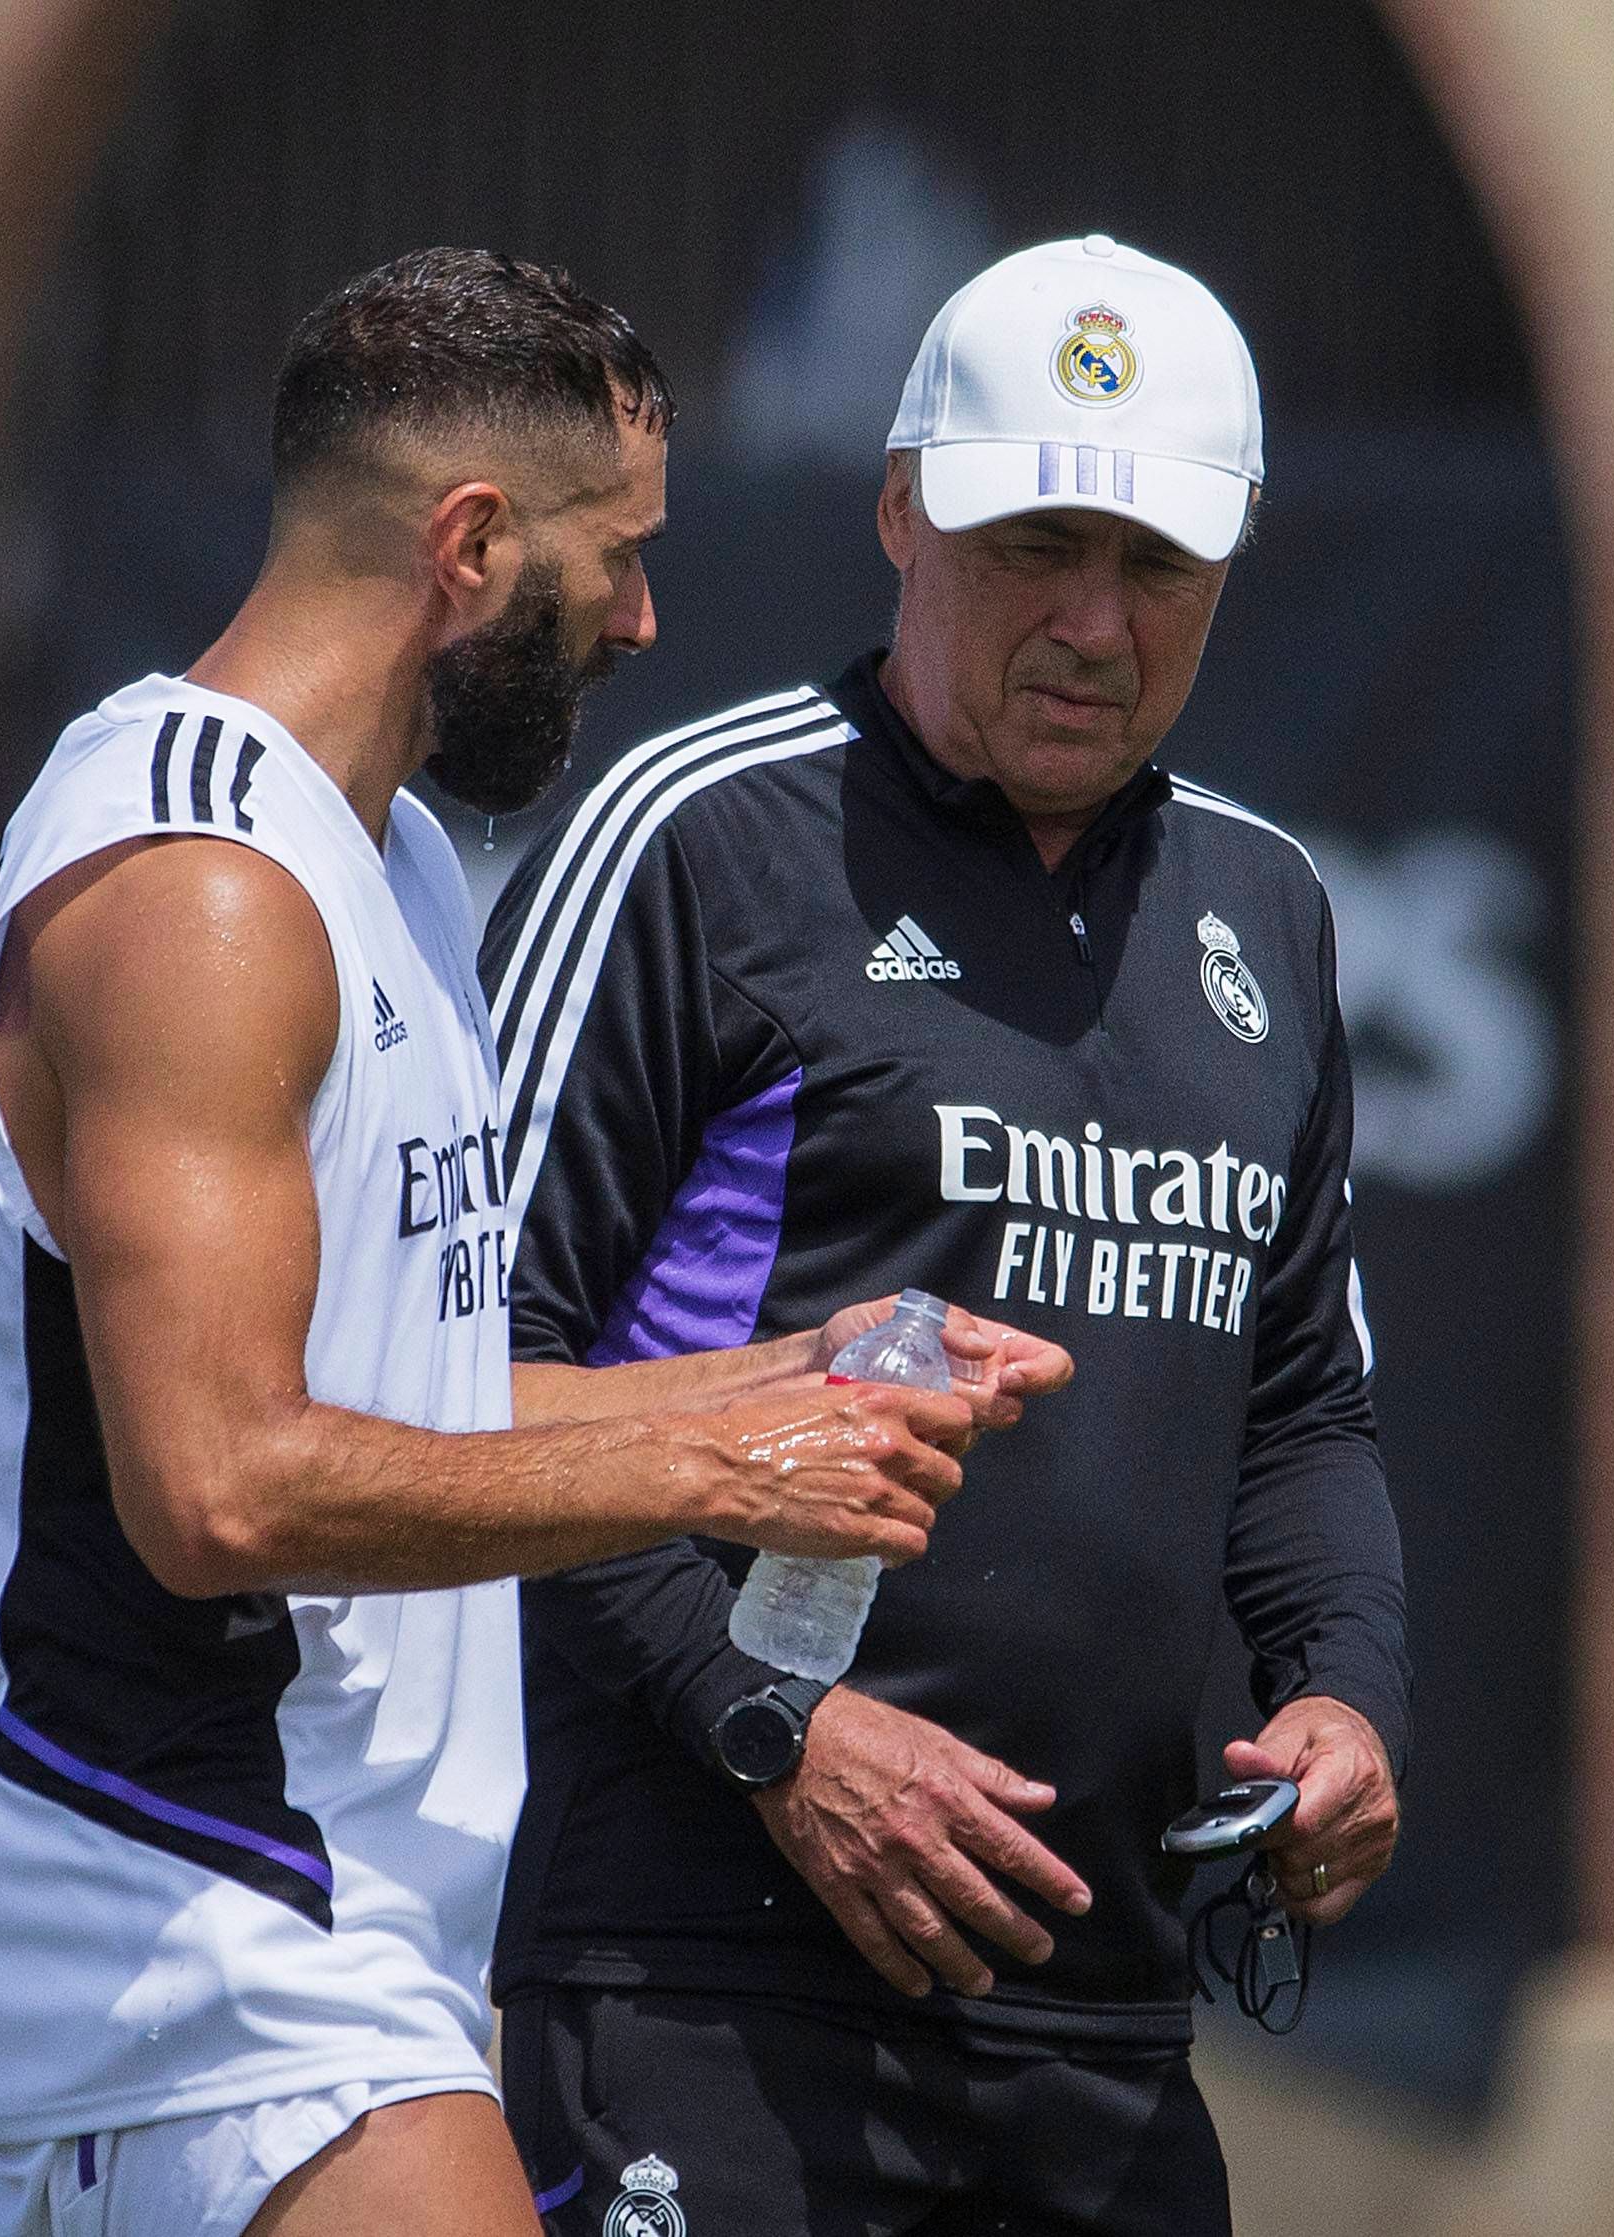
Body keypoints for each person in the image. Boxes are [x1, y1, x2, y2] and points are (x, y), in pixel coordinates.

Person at [0, 248, 1069, 2237]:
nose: (645, 614)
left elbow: (404, 1407)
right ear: (468, 544)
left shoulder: (396, 860)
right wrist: (706, 1468)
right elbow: (221, 1488)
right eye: (616, 557)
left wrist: (775, 1380)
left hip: (312, 1957)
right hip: (195, 1949)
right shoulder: (199, 886)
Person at [483, 233, 1411, 2233]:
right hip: (708, 1987)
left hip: (1106, 2034)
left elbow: (1304, 1413)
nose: (1092, 620)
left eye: (1154, 564)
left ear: (1233, 561)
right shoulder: (700, 836)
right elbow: (469, 1380)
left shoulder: (1268, 911)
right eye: (1031, 545)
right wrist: (777, 1734)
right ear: (902, 508)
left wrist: (1346, 1698)